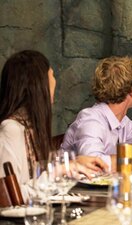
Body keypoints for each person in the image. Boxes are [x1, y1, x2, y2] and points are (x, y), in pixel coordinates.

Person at [0, 50, 108, 200]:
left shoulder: (29, 127)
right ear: (37, 85)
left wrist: (74, 162)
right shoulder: (11, 129)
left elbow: (39, 171)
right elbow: (9, 197)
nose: (54, 81)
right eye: (51, 75)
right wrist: (59, 170)